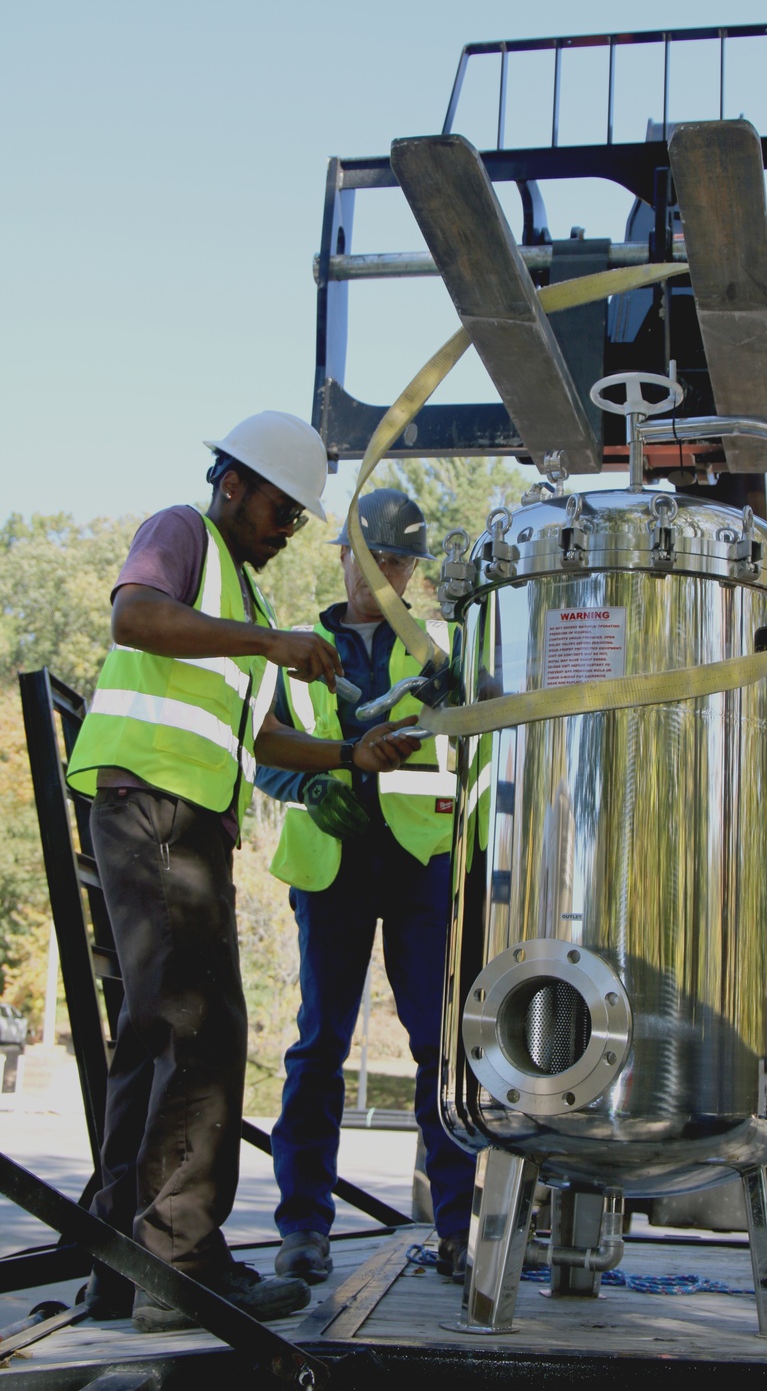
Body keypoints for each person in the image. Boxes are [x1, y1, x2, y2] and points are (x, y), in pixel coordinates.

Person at [66, 414, 420, 1332]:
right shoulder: (183, 534)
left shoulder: (245, 606)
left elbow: (257, 736)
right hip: (154, 807)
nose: (288, 527)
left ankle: (117, 1258)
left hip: (177, 817)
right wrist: (271, 647)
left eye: (301, 518)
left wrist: (350, 755)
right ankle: (179, 1260)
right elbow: (133, 615)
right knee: (205, 1030)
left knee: (156, 1033)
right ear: (233, 483)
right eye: (280, 507)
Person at [255, 488, 476, 1287]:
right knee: (321, 1048)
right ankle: (302, 1231)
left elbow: (480, 754)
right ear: (342, 555)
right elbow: (261, 749)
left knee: (436, 1048)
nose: (378, 571)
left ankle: (457, 1229)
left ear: (412, 568)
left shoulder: (444, 650)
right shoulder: (292, 645)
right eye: (366, 554)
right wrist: (318, 782)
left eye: (394, 559)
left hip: (420, 865)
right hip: (331, 865)